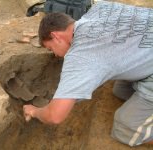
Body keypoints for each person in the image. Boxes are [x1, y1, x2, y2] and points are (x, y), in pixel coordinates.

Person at [23, 1, 153, 147]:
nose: (55, 55)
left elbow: (55, 116)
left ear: (56, 36)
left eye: (50, 48)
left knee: (125, 128)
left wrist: (35, 111)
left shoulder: (81, 55)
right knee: (121, 91)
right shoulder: (98, 8)